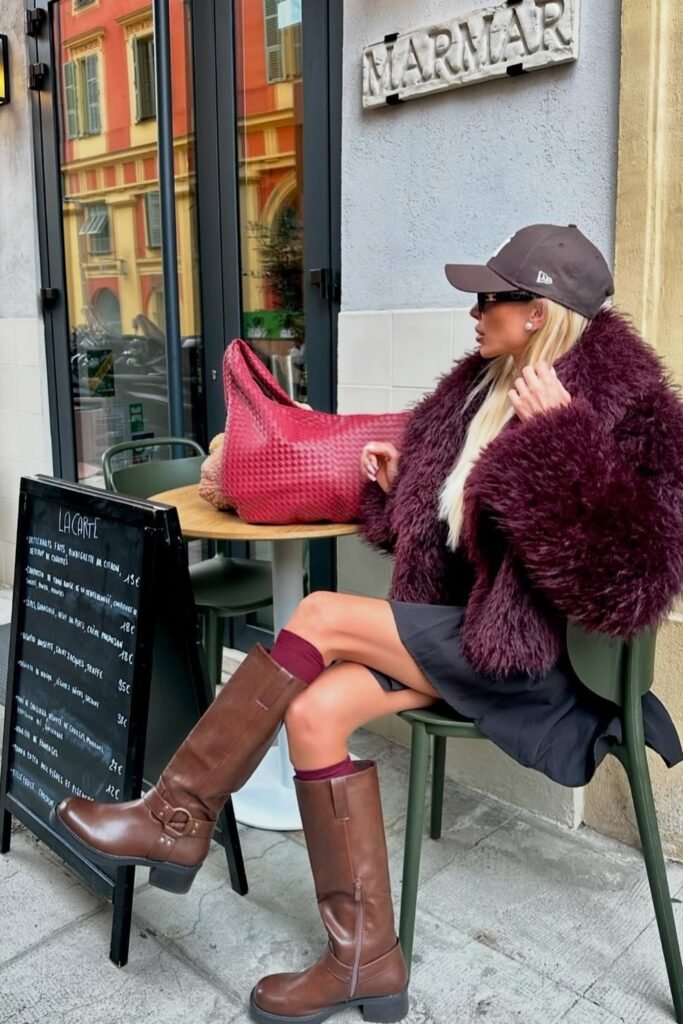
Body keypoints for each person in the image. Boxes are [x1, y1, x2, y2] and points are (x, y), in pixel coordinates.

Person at [52, 224, 683, 1024]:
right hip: (463, 635)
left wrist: (565, 442)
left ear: (539, 312)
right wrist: (398, 494)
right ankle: (365, 960)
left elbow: (628, 581)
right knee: (316, 710)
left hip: (545, 670)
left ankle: (176, 815)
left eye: (491, 296)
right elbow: (450, 549)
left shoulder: (632, 416)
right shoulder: (481, 394)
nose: (474, 310)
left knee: (318, 614)